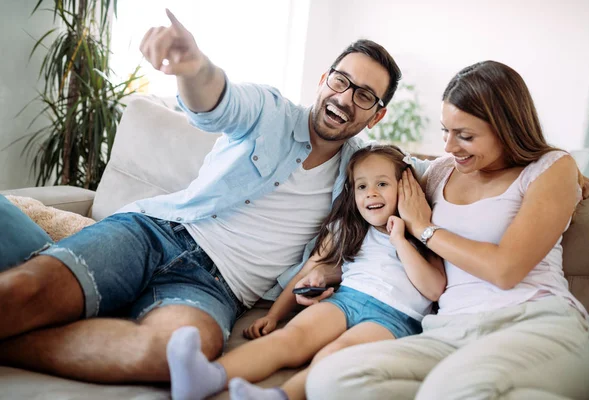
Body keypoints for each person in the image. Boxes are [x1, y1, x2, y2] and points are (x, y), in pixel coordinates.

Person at [0, 10, 431, 383]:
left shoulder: (364, 173)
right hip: (155, 234)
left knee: (172, 355)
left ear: (377, 114)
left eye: (364, 96)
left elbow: (433, 183)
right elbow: (218, 101)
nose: (344, 98)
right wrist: (192, 68)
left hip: (217, 288)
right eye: (341, 81)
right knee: (24, 293)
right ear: (324, 79)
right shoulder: (269, 110)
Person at [305, 61, 589, 399]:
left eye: (466, 136)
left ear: (507, 128)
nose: (449, 146)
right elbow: (376, 179)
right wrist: (324, 271)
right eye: (446, 130)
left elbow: (505, 270)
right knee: (331, 379)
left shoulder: (549, 168)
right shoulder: (439, 172)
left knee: (451, 389)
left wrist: (426, 229)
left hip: (534, 323)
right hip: (448, 333)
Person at [165, 144, 446, 400]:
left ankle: (282, 396)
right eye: (361, 186)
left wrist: (400, 238)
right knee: (291, 337)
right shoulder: (351, 229)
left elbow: (434, 289)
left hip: (395, 319)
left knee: (334, 353)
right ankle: (206, 377)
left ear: (406, 187)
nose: (370, 193)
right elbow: (309, 269)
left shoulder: (424, 232)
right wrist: (275, 315)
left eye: (382, 184)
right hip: (346, 300)